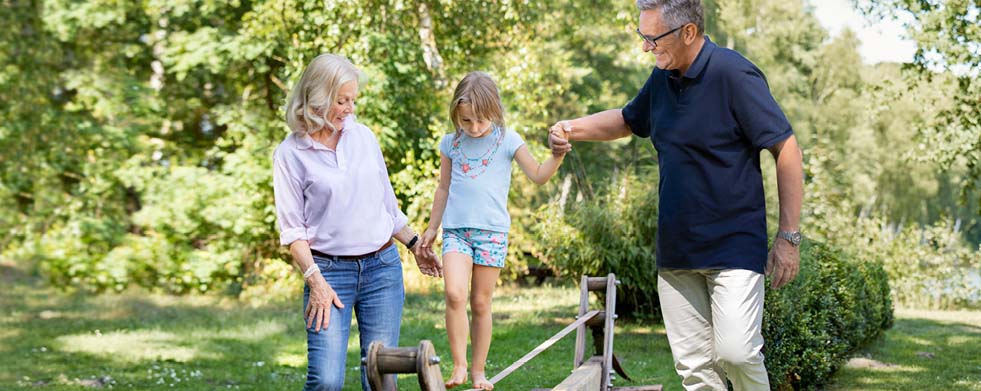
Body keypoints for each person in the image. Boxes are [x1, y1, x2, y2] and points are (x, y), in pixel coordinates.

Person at [548, 1, 804, 389]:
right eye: (643, 37)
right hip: (677, 252)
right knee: (695, 371)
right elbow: (627, 119)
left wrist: (789, 236)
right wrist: (571, 128)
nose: (646, 47)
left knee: (737, 352)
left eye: (653, 38)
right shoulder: (662, 80)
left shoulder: (733, 74)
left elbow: (786, 148)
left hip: (733, 247)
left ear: (688, 32)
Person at [273, 53, 442, 391]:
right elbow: (293, 232)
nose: (350, 108)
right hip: (328, 273)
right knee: (326, 381)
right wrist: (316, 282)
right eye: (342, 100)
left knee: (381, 378)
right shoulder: (290, 153)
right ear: (317, 98)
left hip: (381, 269)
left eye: (353, 99)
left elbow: (386, 207)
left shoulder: (363, 137)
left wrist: (413, 244)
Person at [419, 71, 566, 390]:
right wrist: (432, 228)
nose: (474, 128)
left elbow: (539, 175)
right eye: (466, 121)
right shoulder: (450, 143)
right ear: (456, 115)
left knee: (481, 302)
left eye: (480, 121)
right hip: (457, 231)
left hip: (492, 234)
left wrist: (556, 156)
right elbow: (443, 188)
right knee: (455, 294)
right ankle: (458, 367)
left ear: (495, 111)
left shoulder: (508, 140)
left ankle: (478, 372)